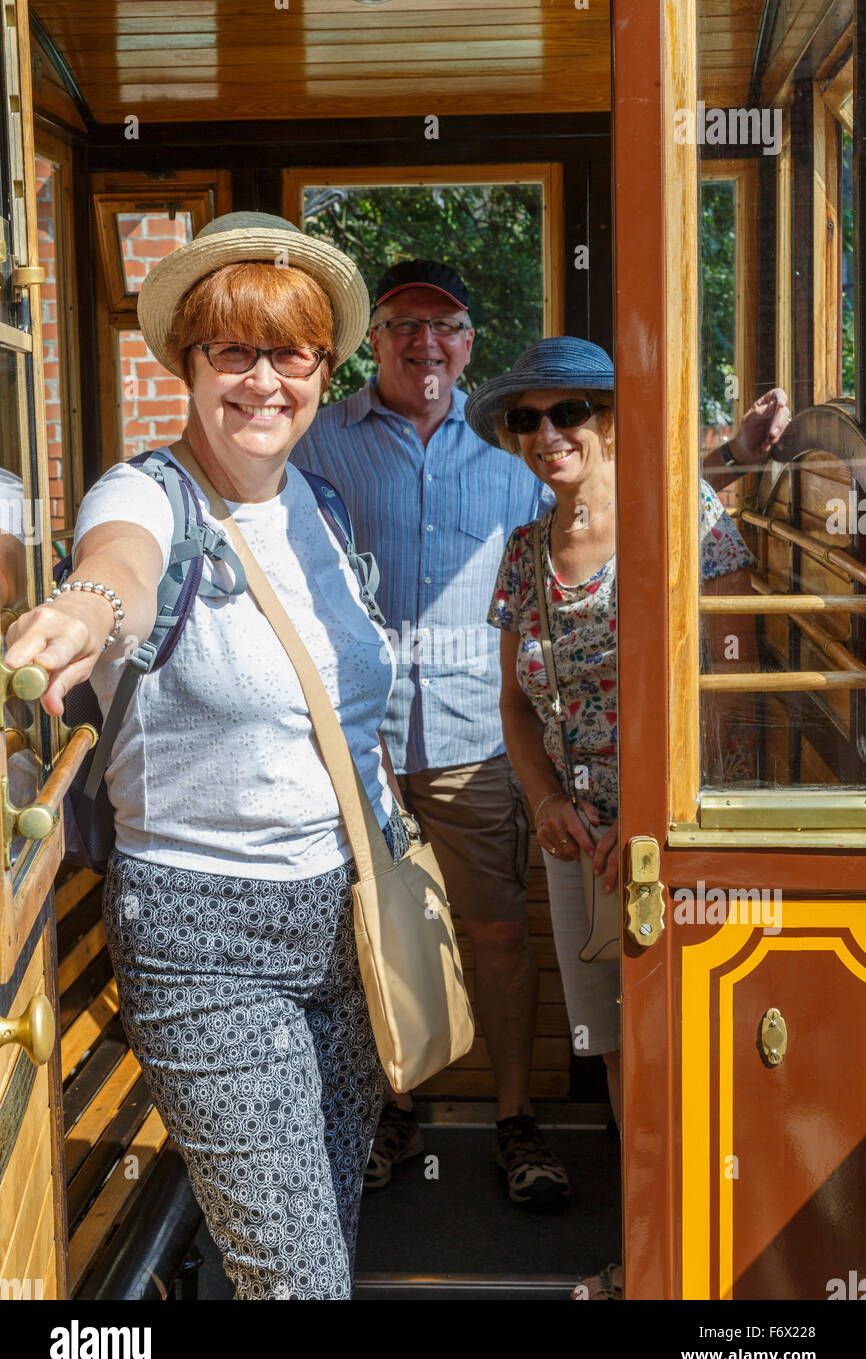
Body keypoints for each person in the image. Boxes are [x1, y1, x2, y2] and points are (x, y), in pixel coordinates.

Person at [4, 211, 410, 1301]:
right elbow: (118, 568)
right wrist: (87, 607)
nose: (263, 380)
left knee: (322, 1226)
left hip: (343, 928)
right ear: (187, 364)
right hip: (200, 939)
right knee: (296, 1279)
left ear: (325, 369)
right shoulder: (146, 495)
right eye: (232, 350)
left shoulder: (320, 508)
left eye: (293, 352)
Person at [465, 336, 789, 1297]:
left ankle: (720, 1268)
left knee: (683, 1044)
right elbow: (517, 705)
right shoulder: (525, 553)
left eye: (570, 413)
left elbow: (729, 680)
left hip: (671, 840)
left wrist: (646, 817)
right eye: (528, 419)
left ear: (612, 423)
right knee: (611, 1047)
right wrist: (550, 803)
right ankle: (650, 1256)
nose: (548, 433)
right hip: (578, 844)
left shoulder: (682, 519)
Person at [292, 260, 571, 1207]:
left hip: (472, 749)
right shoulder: (314, 446)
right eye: (405, 325)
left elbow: (571, 575)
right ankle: (388, 1114)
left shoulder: (511, 471)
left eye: (445, 327)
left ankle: (516, 1122)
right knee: (360, 938)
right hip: (346, 754)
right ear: (375, 340)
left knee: (495, 936)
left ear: (468, 345)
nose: (425, 344)